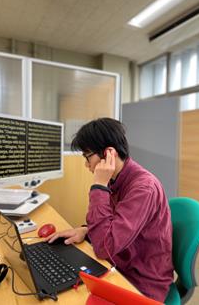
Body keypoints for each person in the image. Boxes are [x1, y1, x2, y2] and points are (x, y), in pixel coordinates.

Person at [46, 117, 174, 302]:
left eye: (87, 156)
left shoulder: (142, 188)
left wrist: (99, 185)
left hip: (142, 282)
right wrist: (86, 230)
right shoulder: (118, 179)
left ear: (108, 153)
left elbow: (104, 247)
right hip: (121, 263)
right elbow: (116, 224)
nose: (86, 164)